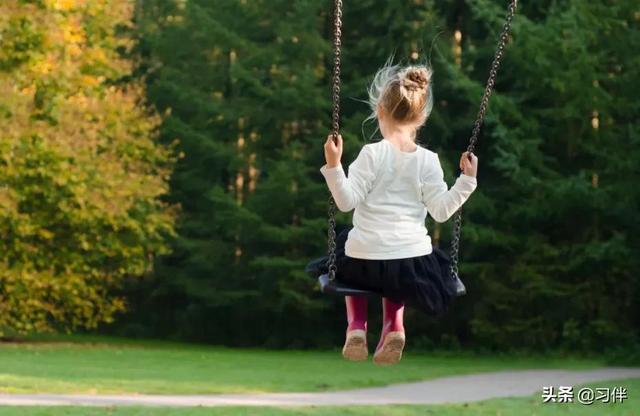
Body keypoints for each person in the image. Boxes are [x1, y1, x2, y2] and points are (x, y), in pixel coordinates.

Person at [308, 59, 478, 365]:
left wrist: (334, 166)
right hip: (410, 263)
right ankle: (394, 326)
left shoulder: (371, 154)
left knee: (349, 250)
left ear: (380, 112)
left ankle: (356, 326)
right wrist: (466, 181)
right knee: (399, 265)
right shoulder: (428, 160)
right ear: (421, 117)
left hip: (365, 259)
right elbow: (441, 211)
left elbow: (345, 202)